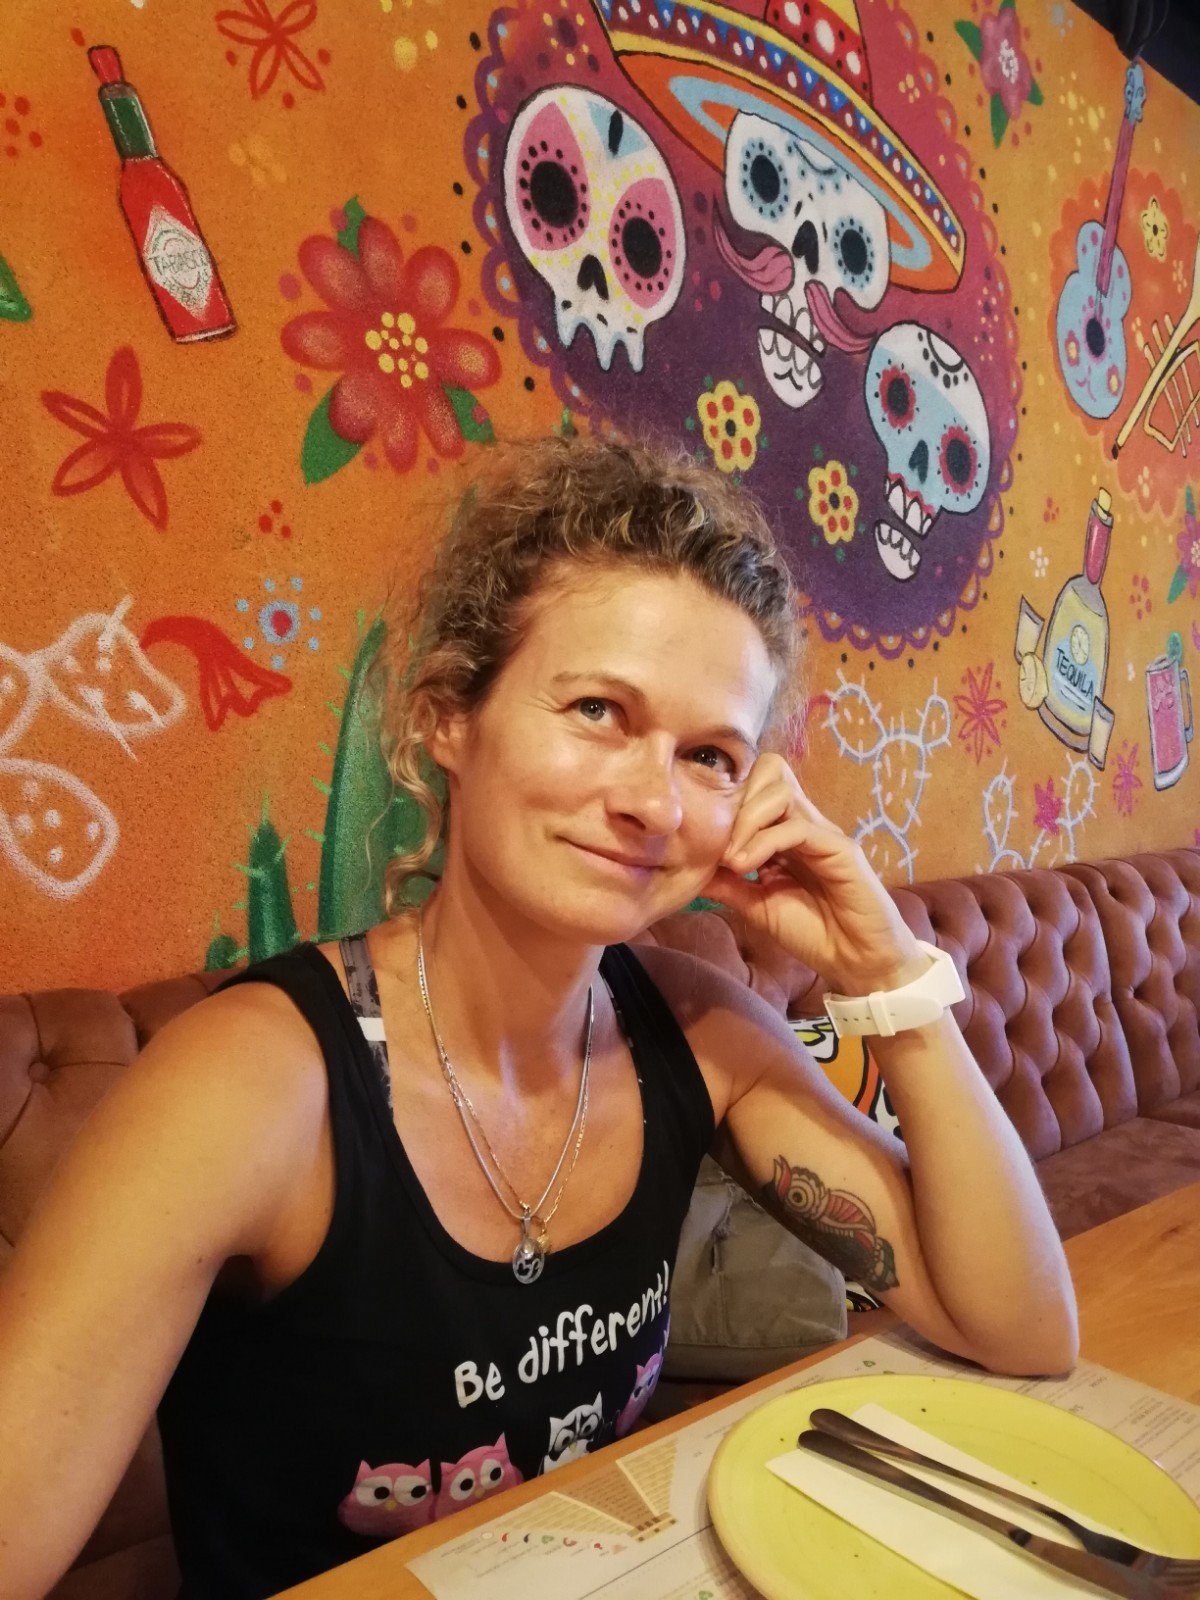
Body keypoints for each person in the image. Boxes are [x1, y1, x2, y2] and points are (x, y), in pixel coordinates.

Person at [0, 435, 1076, 1600]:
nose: (653, 801)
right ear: (449, 717)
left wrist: (893, 979)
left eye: (710, 755)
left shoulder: (701, 1037)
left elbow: (1021, 1327)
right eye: (599, 709)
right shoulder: (250, 1087)